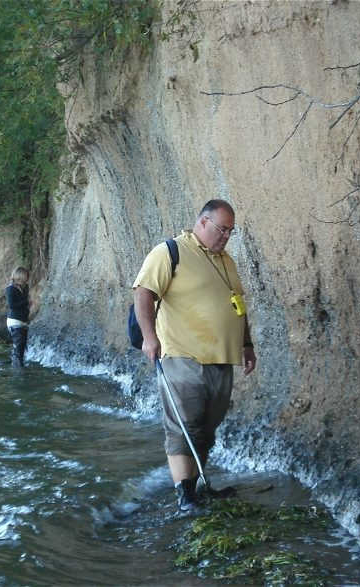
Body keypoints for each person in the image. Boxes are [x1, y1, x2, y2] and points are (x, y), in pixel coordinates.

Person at [132, 199, 257, 512]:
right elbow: (143, 292)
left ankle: (199, 485)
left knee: (206, 426)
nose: (226, 235)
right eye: (221, 228)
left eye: (231, 231)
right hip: (181, 354)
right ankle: (184, 494)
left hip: (221, 357)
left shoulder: (226, 261)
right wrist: (149, 338)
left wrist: (247, 344)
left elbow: (237, 305)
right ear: (202, 222)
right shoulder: (170, 252)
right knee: (183, 425)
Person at [5, 266, 31, 367]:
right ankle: (18, 370)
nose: (28, 278)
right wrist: (27, 302)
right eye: (26, 276)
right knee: (19, 348)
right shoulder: (10, 289)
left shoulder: (25, 288)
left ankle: (18, 368)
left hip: (22, 321)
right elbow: (12, 305)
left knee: (21, 347)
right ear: (21, 276)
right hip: (15, 321)